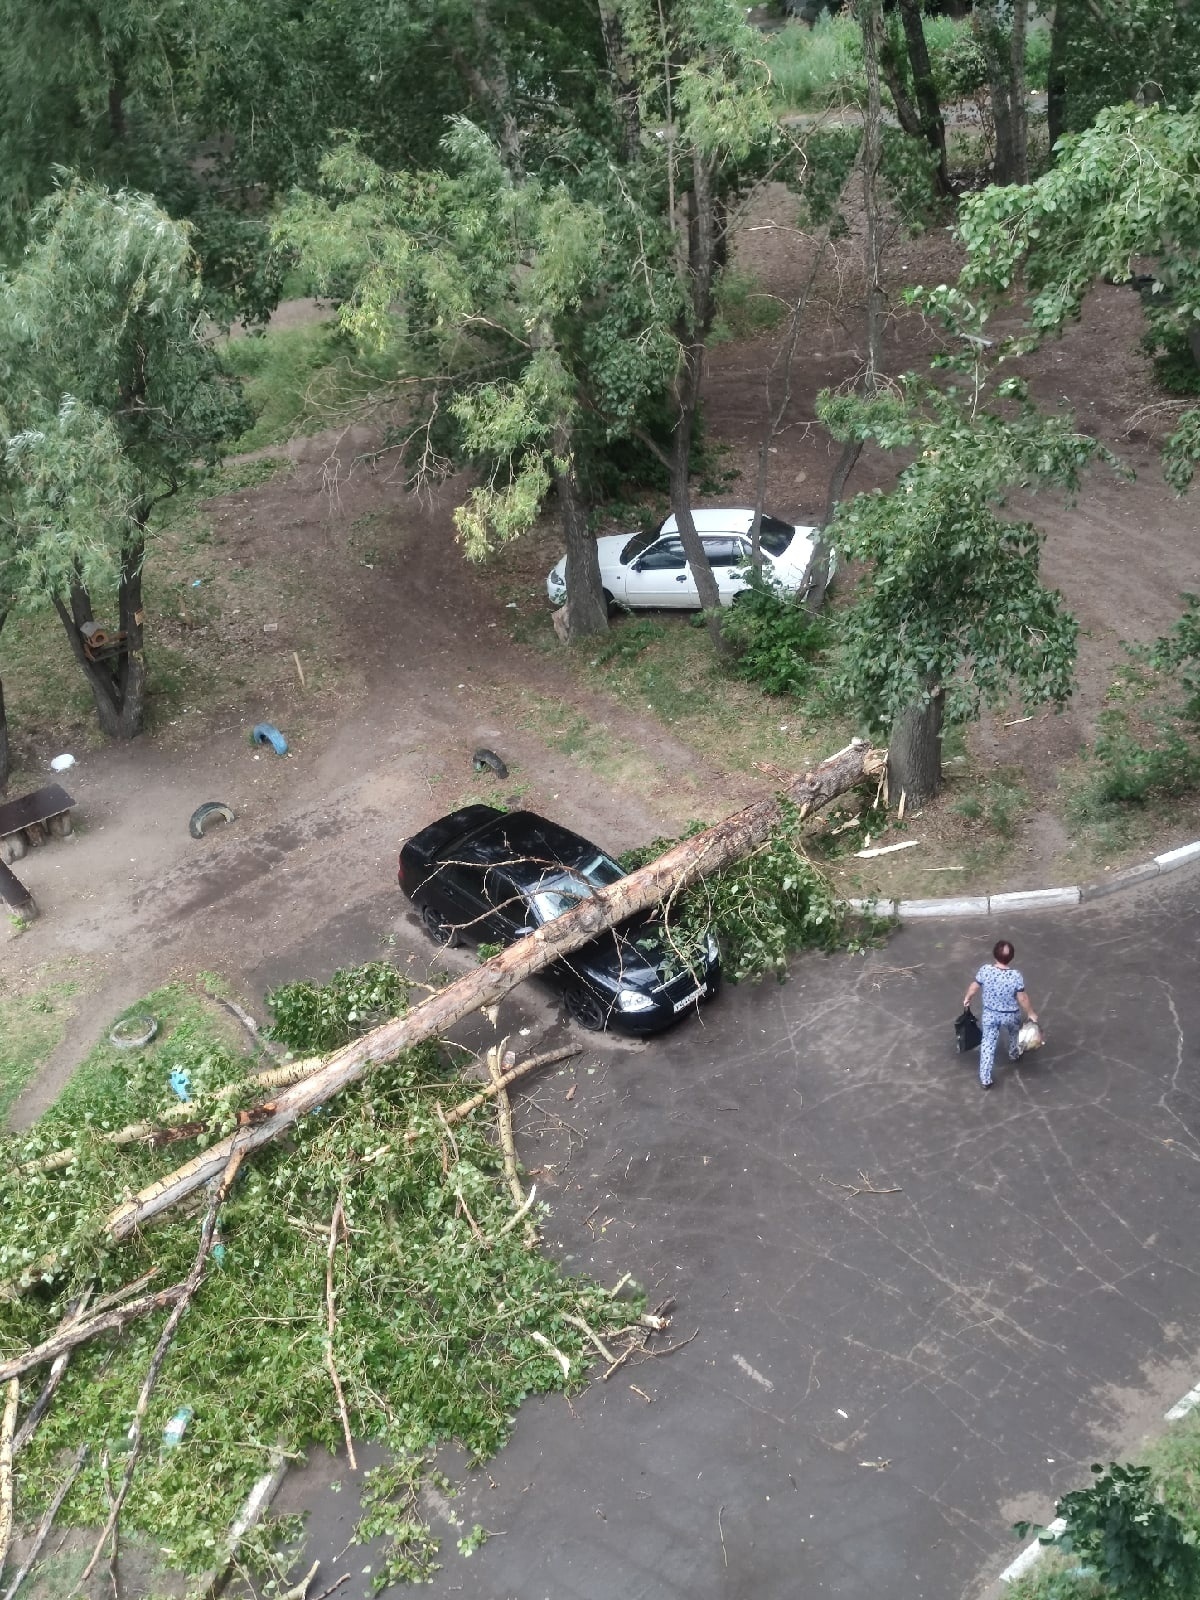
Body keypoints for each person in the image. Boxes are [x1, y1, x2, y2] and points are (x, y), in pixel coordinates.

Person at [962, 940, 1039, 1090]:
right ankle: (1013, 1053)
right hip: (1010, 1014)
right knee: (1014, 1033)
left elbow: (974, 986)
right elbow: (1022, 998)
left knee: (988, 1044)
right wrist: (1031, 1013)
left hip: (990, 1015)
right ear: (1012, 957)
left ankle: (985, 1078)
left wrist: (968, 998)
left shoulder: (985, 970)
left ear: (994, 954)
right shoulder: (1015, 976)